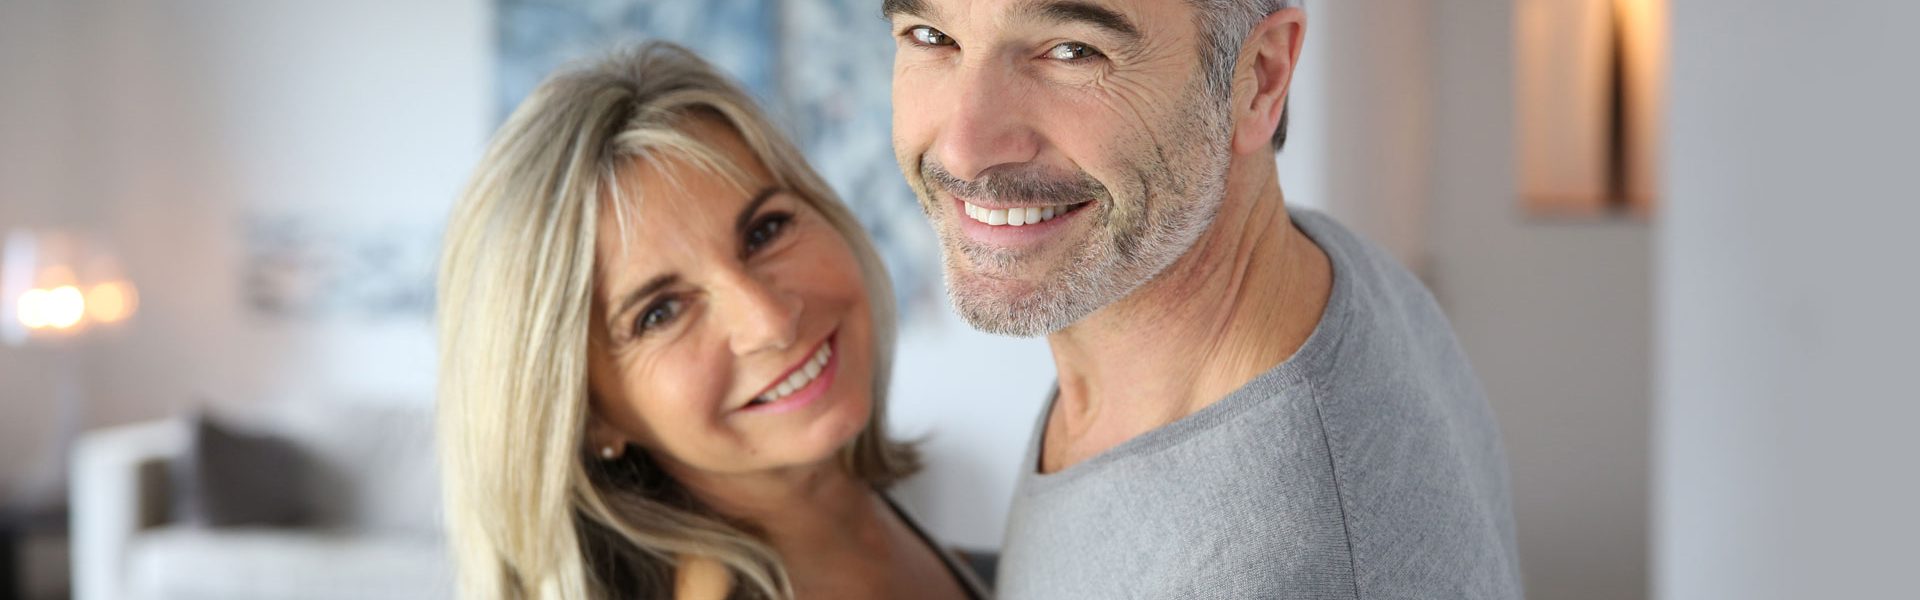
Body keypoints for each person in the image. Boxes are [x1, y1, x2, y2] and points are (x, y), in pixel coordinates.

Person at [883, 0, 1524, 598]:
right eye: (931, 37)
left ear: (1261, 77)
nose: (964, 149)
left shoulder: (1271, 569)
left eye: (1074, 51)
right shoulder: (1320, 266)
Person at [435, 43, 982, 600]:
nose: (769, 321)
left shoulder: (866, 523)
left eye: (765, 231)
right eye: (660, 312)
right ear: (585, 414)